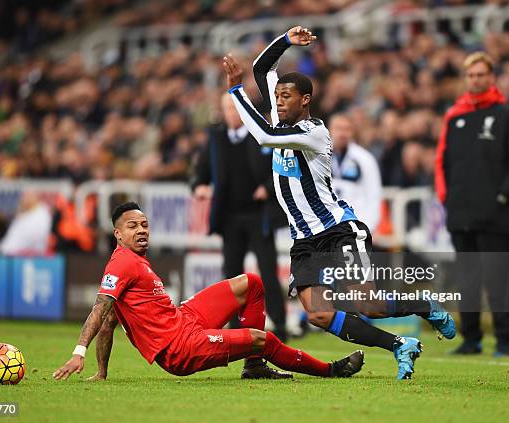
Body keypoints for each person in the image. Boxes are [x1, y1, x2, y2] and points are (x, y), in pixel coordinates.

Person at [222, 26, 455, 380]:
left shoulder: (314, 133)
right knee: (318, 315)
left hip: (337, 231)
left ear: (305, 100)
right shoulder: (283, 118)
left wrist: (236, 92)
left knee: (368, 305)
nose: (279, 100)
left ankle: (424, 305)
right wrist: (285, 40)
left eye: (287, 96)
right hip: (304, 240)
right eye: (277, 95)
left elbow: (266, 136)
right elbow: (261, 68)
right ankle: (399, 345)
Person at [53, 202, 364, 381]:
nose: (142, 230)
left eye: (144, 224)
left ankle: (253, 366)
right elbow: (101, 311)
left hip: (182, 319)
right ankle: (330, 371)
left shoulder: (136, 262)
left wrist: (103, 372)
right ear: (118, 234)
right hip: (179, 348)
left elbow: (110, 323)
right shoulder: (120, 265)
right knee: (264, 339)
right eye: (133, 226)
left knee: (251, 283)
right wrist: (79, 353)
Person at [435, 52, 509, 356]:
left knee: (498, 279)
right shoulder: (456, 117)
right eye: (471, 75)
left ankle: (504, 341)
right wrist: (448, 200)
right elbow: (445, 163)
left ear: (492, 77)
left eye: (481, 75)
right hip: (460, 213)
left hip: (494, 214)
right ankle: (471, 339)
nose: (475, 80)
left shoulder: (508, 116)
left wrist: (502, 196)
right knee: (467, 280)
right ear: (466, 79)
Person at [192, 93, 287, 341]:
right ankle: (235, 327)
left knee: (267, 271)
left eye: (235, 109)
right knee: (232, 274)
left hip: (258, 216)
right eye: (227, 109)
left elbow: (281, 169)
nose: (232, 114)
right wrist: (199, 186)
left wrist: (266, 187)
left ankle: (280, 323)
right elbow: (201, 171)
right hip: (230, 217)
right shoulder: (216, 138)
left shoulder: (261, 135)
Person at [329, 113, 382, 233]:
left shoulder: (365, 159)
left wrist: (367, 228)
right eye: (338, 128)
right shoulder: (318, 158)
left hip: (356, 224)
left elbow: (374, 195)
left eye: (346, 129)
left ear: (352, 132)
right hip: (327, 227)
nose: (342, 133)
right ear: (330, 130)